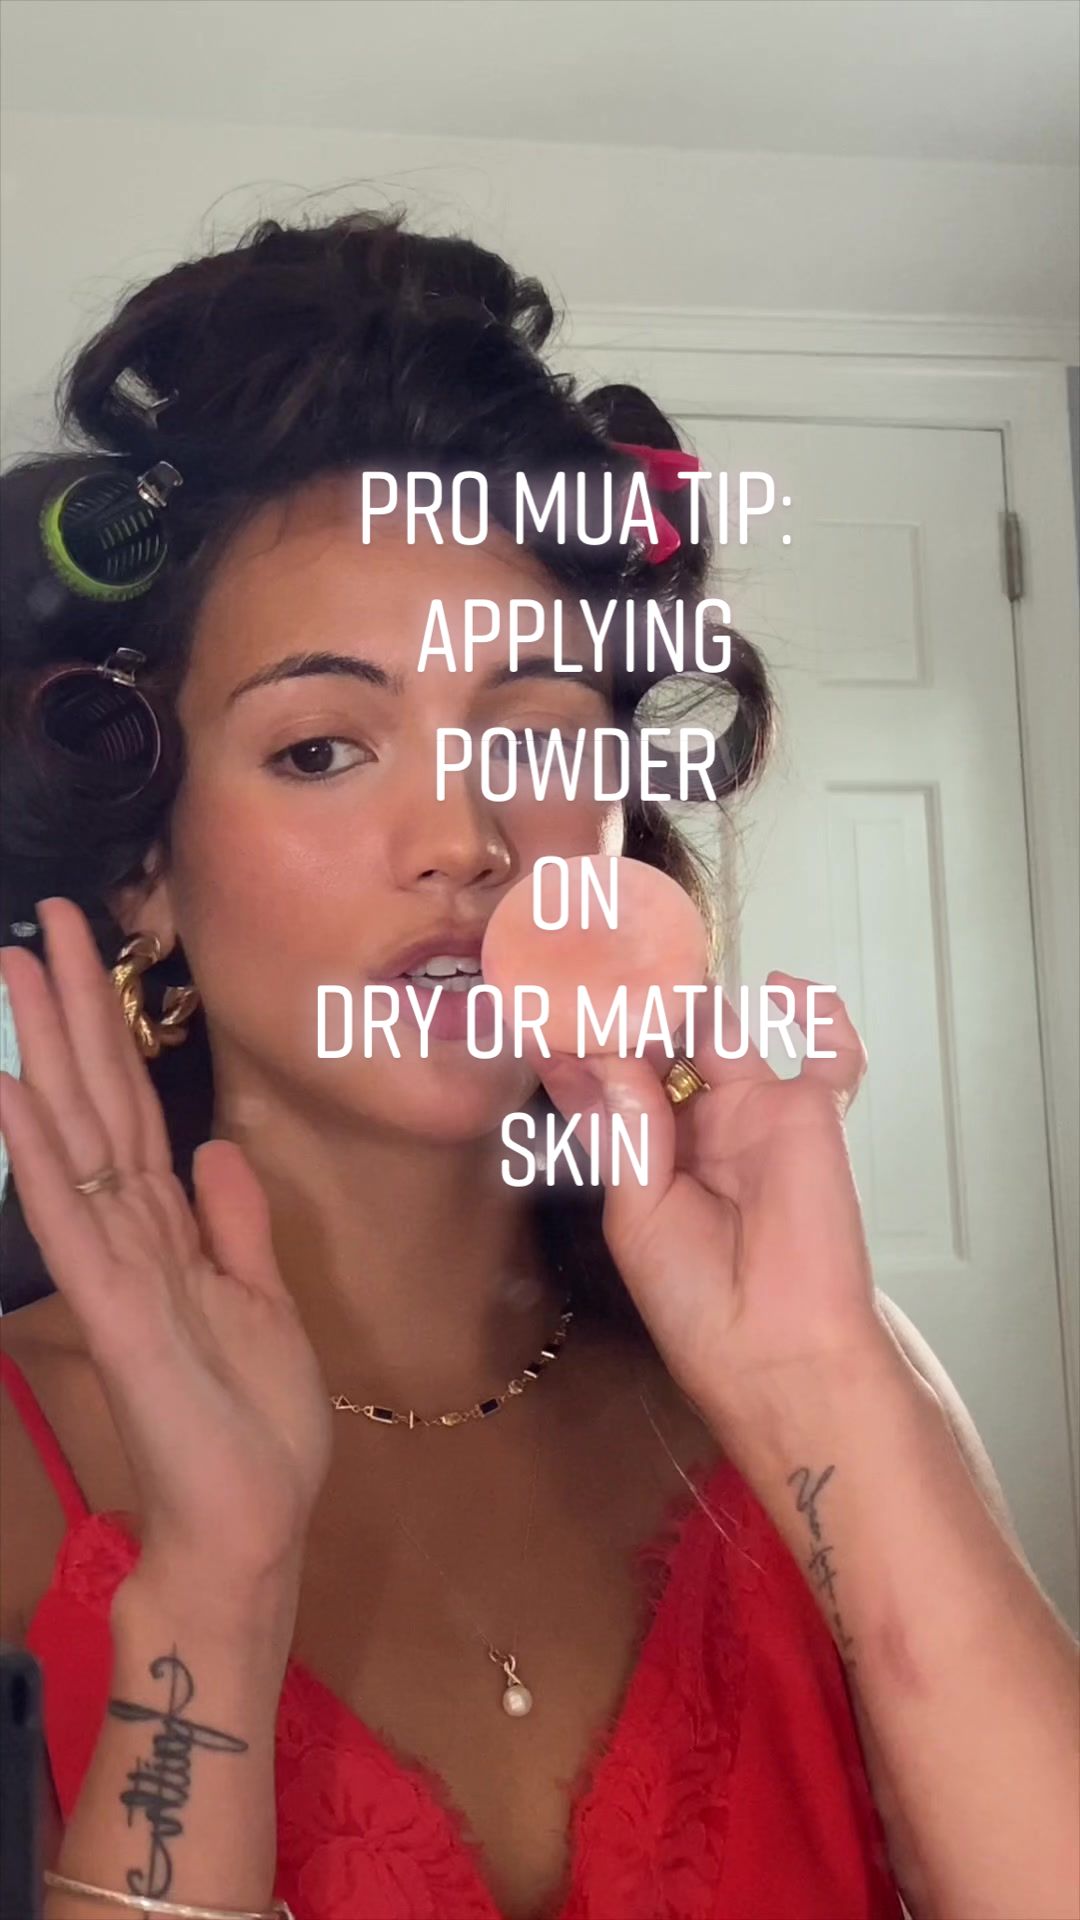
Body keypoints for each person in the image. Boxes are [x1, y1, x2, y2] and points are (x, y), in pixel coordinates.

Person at [0, 210, 1076, 1920]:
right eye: (323, 746)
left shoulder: (825, 1384)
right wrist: (212, 1590)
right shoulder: (20, 1454)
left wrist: (821, 1388)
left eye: (537, 737)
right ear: (147, 867)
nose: (466, 837)